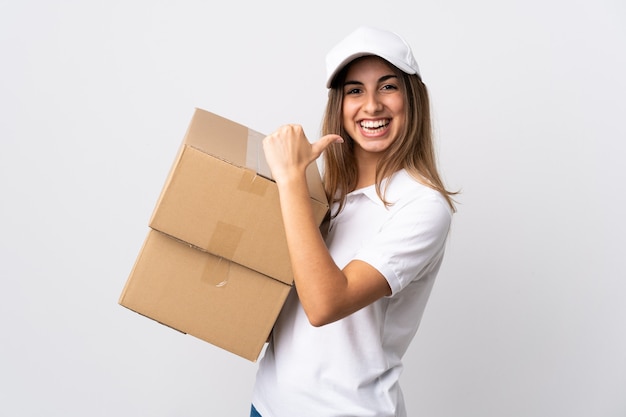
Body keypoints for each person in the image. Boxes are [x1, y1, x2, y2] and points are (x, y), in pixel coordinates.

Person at [251, 26, 457, 417]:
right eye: (355, 90)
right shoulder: (325, 191)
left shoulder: (422, 206)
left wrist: (291, 180)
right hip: (268, 404)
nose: (372, 105)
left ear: (413, 98)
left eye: (388, 86)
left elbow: (326, 303)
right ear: (339, 105)